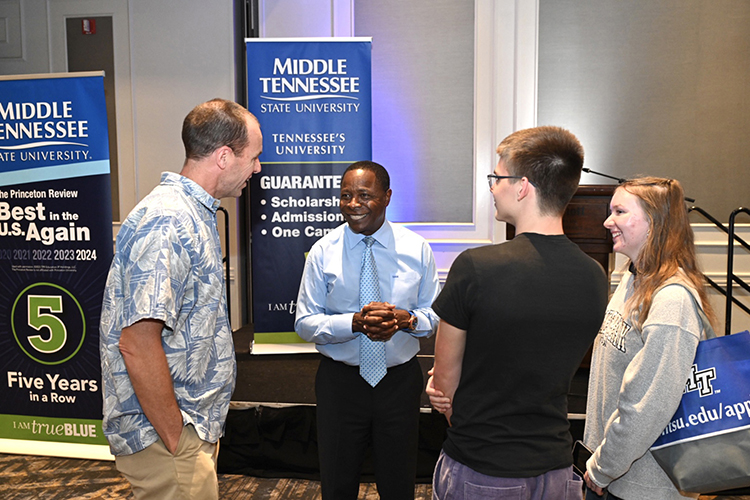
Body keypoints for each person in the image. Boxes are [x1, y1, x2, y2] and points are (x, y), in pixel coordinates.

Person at [427, 126, 609, 499]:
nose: (492, 186)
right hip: (558, 470)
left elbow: (444, 385)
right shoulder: (594, 275)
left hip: (484, 468)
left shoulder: (475, 266)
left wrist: (449, 398)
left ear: (523, 186)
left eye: (497, 177)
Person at [99, 98, 262, 500]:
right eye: (254, 158)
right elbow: (136, 342)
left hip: (185, 429)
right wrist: (177, 437)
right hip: (167, 435)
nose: (257, 169)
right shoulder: (169, 220)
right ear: (225, 156)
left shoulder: (194, 213)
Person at [295, 160, 440, 499]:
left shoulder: (416, 248)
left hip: (398, 383)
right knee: (337, 482)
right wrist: (354, 323)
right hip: (340, 384)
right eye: (345, 195)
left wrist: (406, 320)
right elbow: (304, 323)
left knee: (398, 481)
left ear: (387, 196)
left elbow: (434, 315)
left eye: (364, 195)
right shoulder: (323, 251)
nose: (353, 204)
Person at [583, 177, 716, 500]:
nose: (607, 221)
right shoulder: (633, 278)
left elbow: (646, 405)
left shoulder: (672, 300)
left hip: (643, 489)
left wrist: (603, 467)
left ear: (654, 222)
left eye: (619, 211)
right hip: (612, 476)